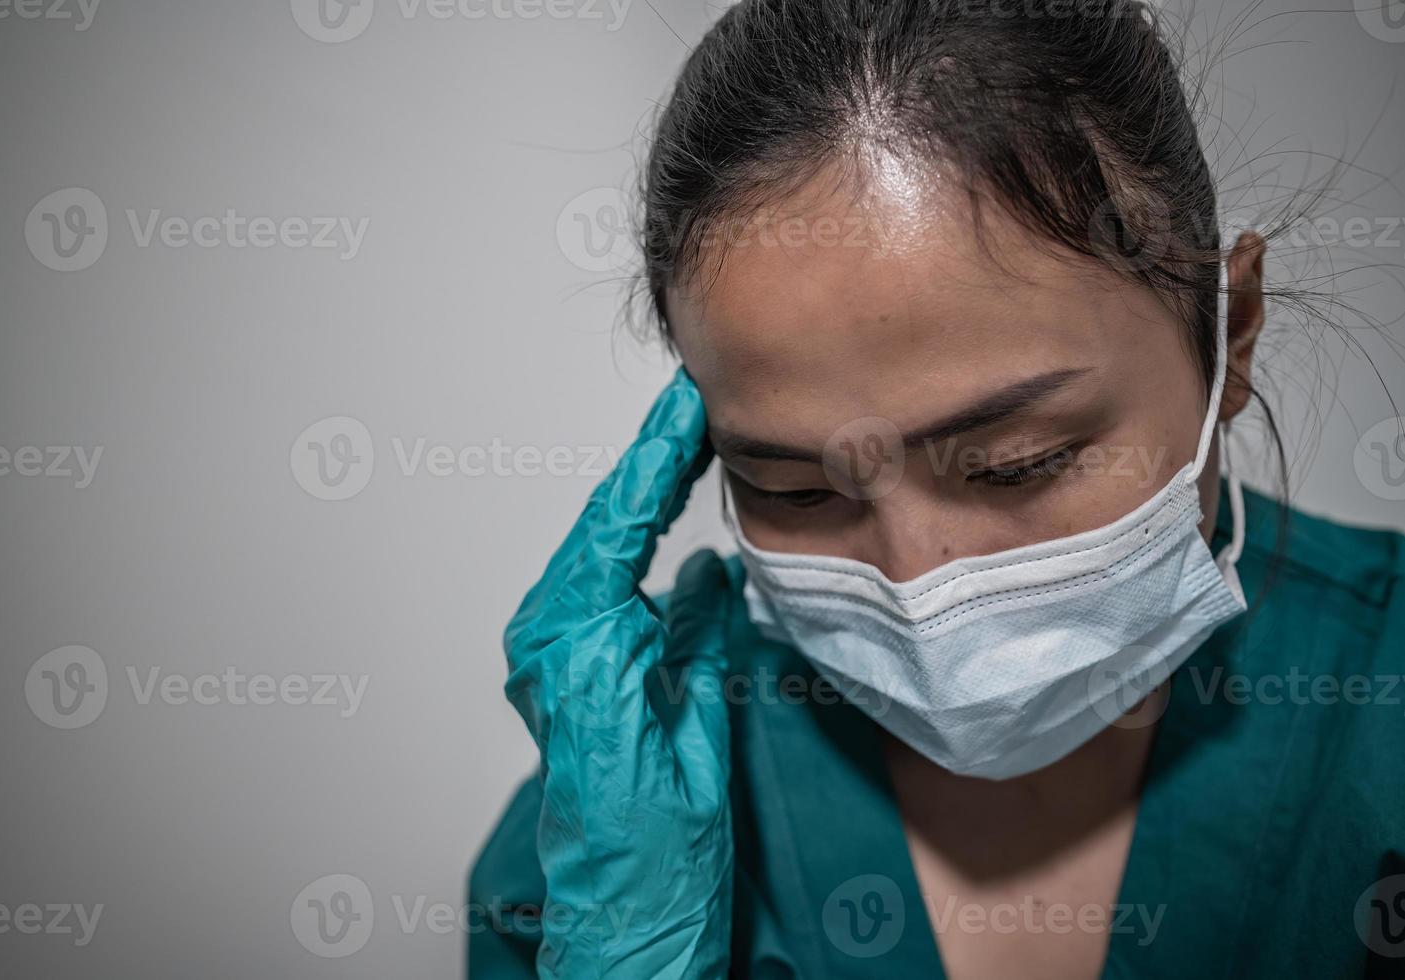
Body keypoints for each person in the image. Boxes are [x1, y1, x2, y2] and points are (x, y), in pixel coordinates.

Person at [468, 0, 1405, 976]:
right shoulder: (617, 826)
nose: (923, 590)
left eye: (1020, 462)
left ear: (1234, 328)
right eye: (793, 489)